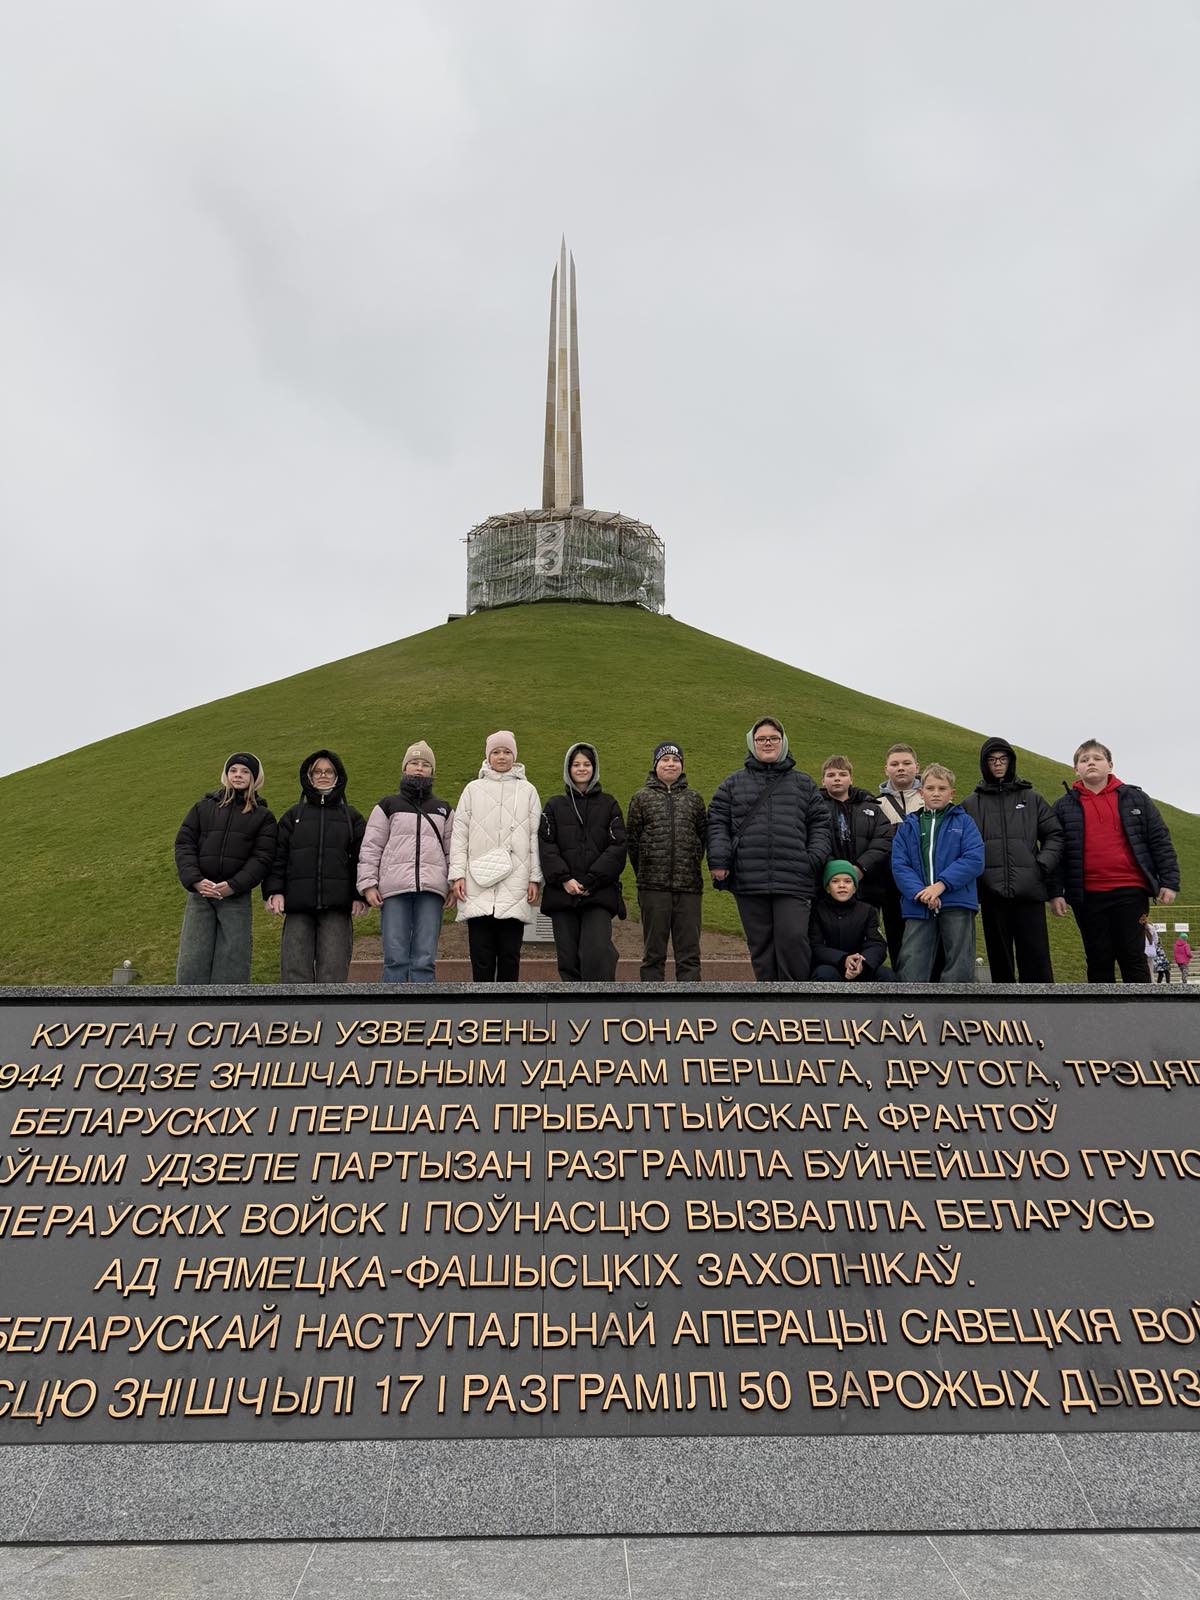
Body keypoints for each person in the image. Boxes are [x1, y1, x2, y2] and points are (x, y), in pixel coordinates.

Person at [707, 717, 832, 981]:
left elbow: (821, 823)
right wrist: (719, 861)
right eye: (761, 739)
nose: (767, 743)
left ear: (783, 742)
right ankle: (767, 1003)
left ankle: (795, 1003)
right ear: (752, 744)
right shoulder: (732, 784)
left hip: (794, 877)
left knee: (793, 938)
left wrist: (812, 859)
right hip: (749, 876)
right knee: (761, 945)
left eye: (773, 738)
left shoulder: (803, 783)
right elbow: (717, 821)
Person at [1048, 739, 1180, 984]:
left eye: (1097, 758)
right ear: (1076, 769)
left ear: (1110, 764)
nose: (1091, 763)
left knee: (1133, 956)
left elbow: (1160, 840)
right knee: (1098, 957)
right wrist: (1056, 892)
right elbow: (1055, 853)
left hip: (1130, 892)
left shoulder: (1136, 799)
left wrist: (1169, 881)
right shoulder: (1063, 807)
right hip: (1087, 895)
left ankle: (1142, 1017)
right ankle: (1101, 1020)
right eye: (1084, 760)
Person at [961, 737, 1063, 983]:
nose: (998, 764)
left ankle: (1042, 1015)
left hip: (1029, 891)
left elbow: (1055, 835)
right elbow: (961, 846)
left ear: (1011, 761)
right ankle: (1004, 1018)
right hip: (990, 892)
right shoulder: (970, 804)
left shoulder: (1032, 798)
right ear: (984, 763)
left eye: (1003, 759)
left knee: (1036, 961)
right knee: (1000, 964)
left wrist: (1040, 865)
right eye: (992, 759)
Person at [264, 750, 367, 983]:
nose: (323, 775)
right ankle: (295, 1019)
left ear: (337, 776)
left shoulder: (351, 817)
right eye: (317, 771)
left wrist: (358, 895)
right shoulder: (293, 815)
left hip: (338, 906)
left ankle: (330, 1019)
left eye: (328, 771)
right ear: (309, 777)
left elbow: (361, 859)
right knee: (294, 970)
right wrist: (274, 891)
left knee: (334, 970)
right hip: (298, 905)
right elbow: (278, 856)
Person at [174, 753, 276, 984]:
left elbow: (263, 858)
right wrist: (195, 880)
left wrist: (233, 885)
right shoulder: (203, 808)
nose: (238, 775)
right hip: (201, 894)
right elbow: (184, 844)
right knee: (192, 958)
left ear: (254, 778)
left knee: (233, 960)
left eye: (245, 771)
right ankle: (189, 1014)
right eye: (234, 770)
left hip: (235, 897)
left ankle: (229, 1015)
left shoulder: (263, 817)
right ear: (226, 775)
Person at [357, 742, 454, 983]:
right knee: (395, 958)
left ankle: (424, 1015)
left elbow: (453, 851)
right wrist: (369, 884)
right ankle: (391, 1016)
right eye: (414, 763)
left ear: (432, 771)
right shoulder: (387, 805)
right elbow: (371, 846)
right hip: (394, 889)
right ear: (404, 767)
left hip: (432, 890)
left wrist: (452, 884)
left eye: (425, 765)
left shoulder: (443, 809)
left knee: (425, 959)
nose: (419, 769)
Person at [449, 731, 542, 982]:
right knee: (480, 954)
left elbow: (535, 837)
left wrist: (534, 878)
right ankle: (482, 1012)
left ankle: (509, 1013)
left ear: (515, 756)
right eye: (496, 752)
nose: (502, 757)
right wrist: (457, 874)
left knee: (510, 954)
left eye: (507, 752)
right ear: (488, 756)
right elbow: (460, 836)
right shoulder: (472, 789)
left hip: (515, 880)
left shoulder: (528, 791)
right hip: (476, 880)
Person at [539, 742, 627, 980]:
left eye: (586, 764)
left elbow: (617, 847)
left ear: (594, 768)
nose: (581, 769)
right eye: (576, 764)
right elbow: (546, 846)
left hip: (597, 893)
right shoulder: (554, 805)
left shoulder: (609, 804)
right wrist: (565, 878)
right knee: (567, 958)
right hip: (563, 892)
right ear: (568, 769)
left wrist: (590, 880)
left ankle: (601, 1008)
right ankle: (573, 1011)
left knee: (596, 952)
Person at [892, 763, 984, 983]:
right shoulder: (908, 826)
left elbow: (974, 859)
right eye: (930, 788)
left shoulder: (964, 822)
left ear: (951, 793)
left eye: (942, 788)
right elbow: (899, 864)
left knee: (960, 963)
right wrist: (922, 893)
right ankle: (910, 1011)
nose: (936, 793)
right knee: (912, 961)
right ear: (921, 792)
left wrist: (940, 886)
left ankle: (957, 1012)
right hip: (919, 903)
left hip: (957, 900)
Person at [626, 741, 707, 981]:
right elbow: (633, 842)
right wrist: (647, 872)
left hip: (689, 888)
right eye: (665, 760)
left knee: (690, 955)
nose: (671, 764)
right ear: (656, 765)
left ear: (682, 765)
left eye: (675, 760)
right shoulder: (641, 798)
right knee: (653, 954)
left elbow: (701, 839)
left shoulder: (695, 799)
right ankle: (652, 1011)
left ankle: (691, 1011)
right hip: (652, 887)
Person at [818, 756, 895, 912]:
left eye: (842, 774)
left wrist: (861, 867)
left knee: (866, 932)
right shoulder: (815, 809)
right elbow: (814, 841)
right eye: (831, 775)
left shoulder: (871, 808)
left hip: (867, 888)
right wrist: (836, 871)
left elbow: (885, 839)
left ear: (851, 779)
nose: (837, 779)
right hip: (827, 887)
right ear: (823, 781)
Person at [876, 743, 925, 966]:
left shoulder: (932, 797)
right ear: (886, 769)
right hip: (891, 884)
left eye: (906, 763)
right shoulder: (877, 804)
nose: (901, 768)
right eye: (895, 764)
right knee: (897, 938)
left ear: (917, 766)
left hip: (927, 882)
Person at [810, 861, 891, 981]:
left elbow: (877, 944)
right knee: (824, 973)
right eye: (835, 881)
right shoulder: (817, 910)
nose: (842, 885)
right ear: (827, 888)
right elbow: (815, 947)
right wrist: (844, 959)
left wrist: (861, 963)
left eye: (847, 881)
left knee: (886, 975)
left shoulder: (867, 910)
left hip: (861, 967)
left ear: (854, 888)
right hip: (832, 966)